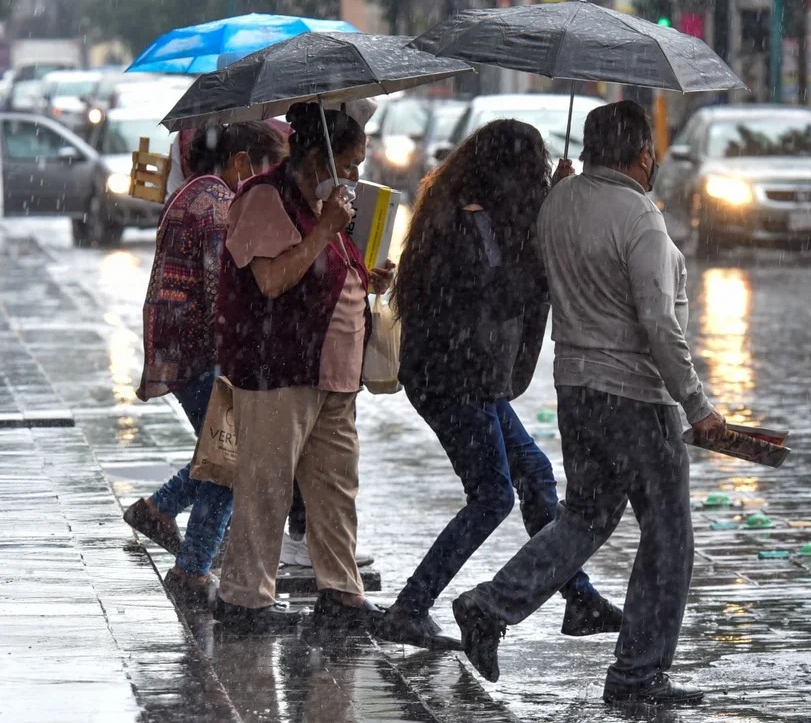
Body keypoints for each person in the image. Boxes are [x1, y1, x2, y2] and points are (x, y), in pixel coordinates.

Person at [452, 100, 726, 707]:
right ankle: (637, 675)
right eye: (650, 150)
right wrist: (697, 404)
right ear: (639, 154)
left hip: (576, 390)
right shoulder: (640, 217)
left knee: (585, 517)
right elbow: (658, 320)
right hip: (635, 396)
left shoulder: (559, 204)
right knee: (668, 535)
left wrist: (559, 192)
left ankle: (491, 604)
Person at [374, 119, 622, 649]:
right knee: (491, 495)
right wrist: (544, 235)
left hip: (467, 376)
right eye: (531, 170)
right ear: (507, 172)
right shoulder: (469, 221)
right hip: (452, 379)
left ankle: (577, 598)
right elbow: (500, 292)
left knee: (533, 474)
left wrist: (551, 204)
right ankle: (411, 607)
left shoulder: (477, 213)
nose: (534, 181)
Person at [213, 102, 393, 634]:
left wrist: (367, 277)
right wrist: (327, 228)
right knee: (266, 486)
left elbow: (331, 268)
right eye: (351, 163)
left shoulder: (326, 204)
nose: (357, 174)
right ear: (320, 157)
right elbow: (272, 280)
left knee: (335, 489)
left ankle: (340, 593)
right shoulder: (267, 198)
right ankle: (244, 599)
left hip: (334, 374)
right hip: (279, 368)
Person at [124, 120, 287, 606]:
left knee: (223, 451)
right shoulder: (217, 206)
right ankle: (191, 565)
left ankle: (160, 511)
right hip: (201, 351)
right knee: (230, 458)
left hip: (181, 347)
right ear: (240, 163)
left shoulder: (194, 191)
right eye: (263, 170)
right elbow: (223, 292)